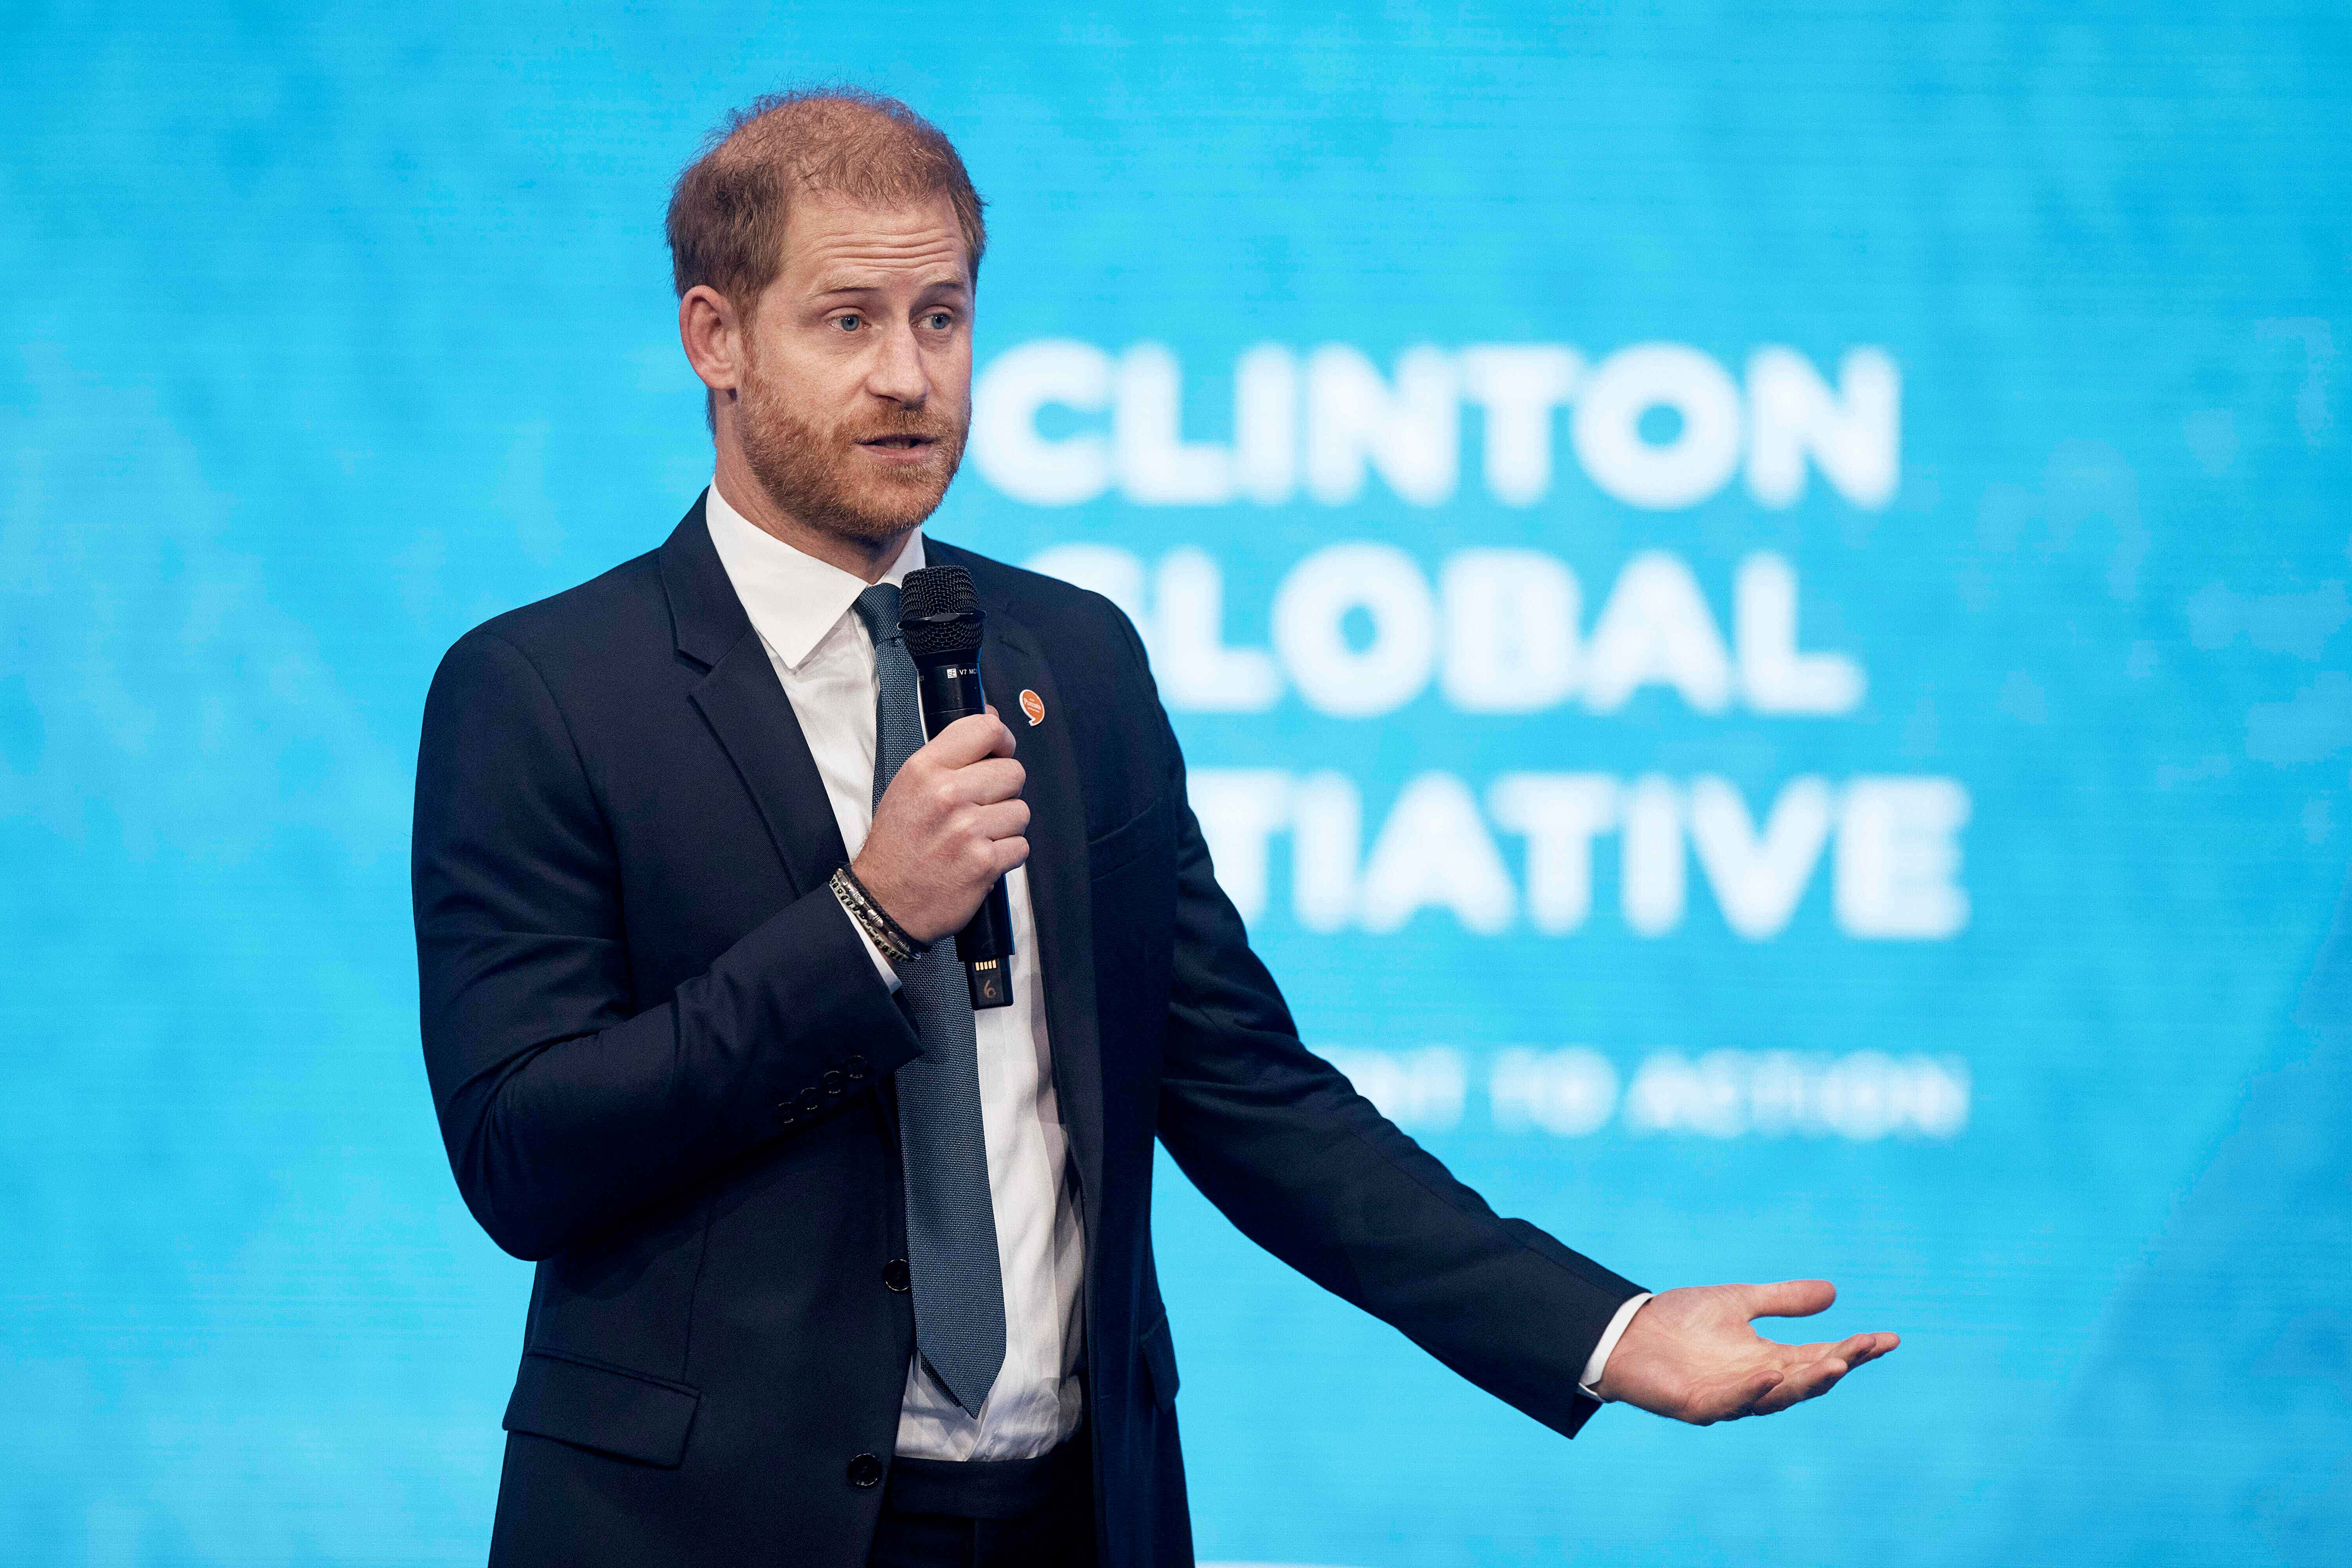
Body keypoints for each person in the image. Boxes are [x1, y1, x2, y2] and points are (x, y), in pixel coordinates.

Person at [410, 87, 1898, 1568]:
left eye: (943, 317)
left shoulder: (1073, 660)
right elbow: (525, 1154)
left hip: (1076, 1515)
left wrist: (1605, 1331)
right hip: (702, 1529)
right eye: (848, 321)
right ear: (714, 339)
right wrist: (865, 925)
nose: (910, 378)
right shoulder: (543, 692)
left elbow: (1251, 1093)